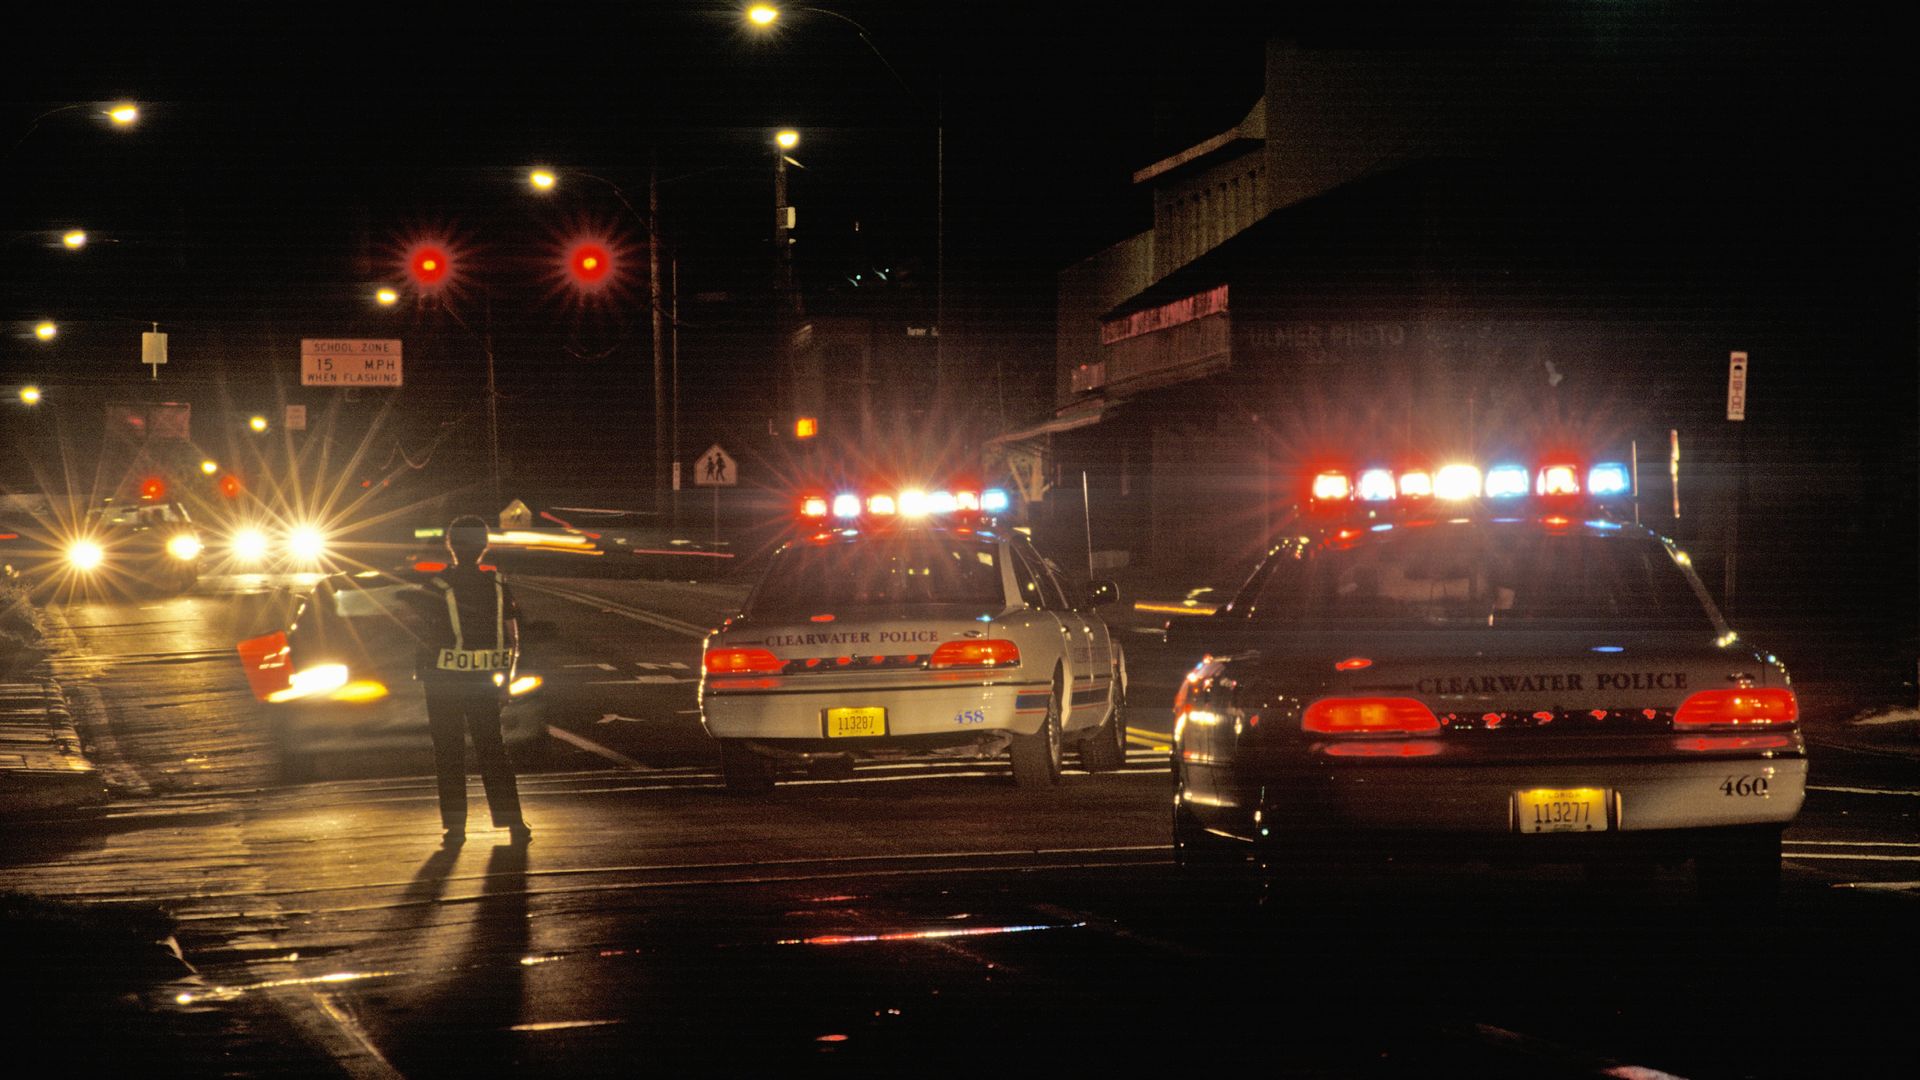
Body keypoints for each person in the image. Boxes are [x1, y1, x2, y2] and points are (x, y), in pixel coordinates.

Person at [405, 515, 530, 847]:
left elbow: (420, 634)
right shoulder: (499, 587)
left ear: (451, 546)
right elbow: (513, 638)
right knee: (492, 749)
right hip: (484, 683)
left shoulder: (435, 587)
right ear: (484, 547)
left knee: (449, 752)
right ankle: (513, 822)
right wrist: (506, 683)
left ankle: (456, 828)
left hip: (443, 684)